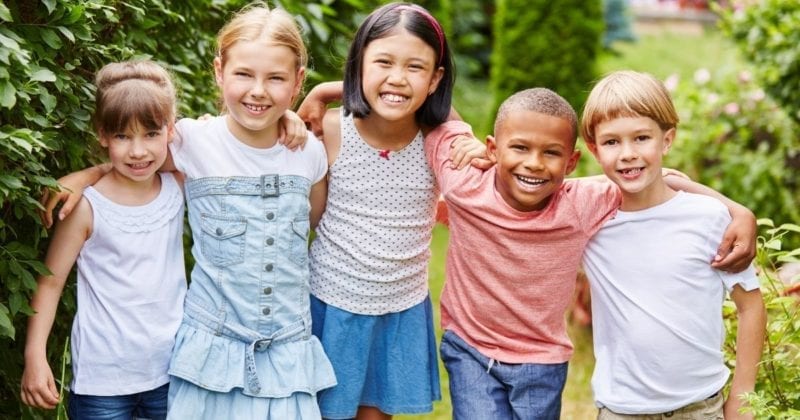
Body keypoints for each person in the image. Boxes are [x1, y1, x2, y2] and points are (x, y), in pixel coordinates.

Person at [38, 5, 337, 418]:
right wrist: (86, 175)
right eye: (244, 74)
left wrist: (302, 110)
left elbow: (312, 220)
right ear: (219, 71)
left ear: (297, 82)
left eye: (276, 79)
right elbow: (135, 159)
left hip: (286, 350)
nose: (258, 90)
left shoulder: (309, 154)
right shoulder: (193, 142)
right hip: (211, 351)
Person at [424, 87, 757, 419]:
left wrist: (738, 211)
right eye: (613, 142)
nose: (534, 163)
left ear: (572, 162)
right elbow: (433, 108)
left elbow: (667, 178)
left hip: (546, 361)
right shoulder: (464, 179)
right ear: (493, 149)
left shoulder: (581, 207)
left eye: (550, 153)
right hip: (475, 350)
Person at [298, 3, 462, 419]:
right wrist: (322, 94)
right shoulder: (332, 129)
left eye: (415, 67)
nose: (397, 78)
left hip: (399, 309)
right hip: (332, 303)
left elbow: (447, 117)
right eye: (383, 62)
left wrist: (322, 89)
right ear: (359, 66)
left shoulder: (439, 136)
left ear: (435, 78)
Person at [580, 70, 766, 419]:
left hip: (701, 407)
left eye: (641, 138)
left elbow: (750, 306)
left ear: (667, 141)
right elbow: (542, 186)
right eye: (611, 142)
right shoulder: (589, 221)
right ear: (593, 149)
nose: (627, 154)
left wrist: (742, 394)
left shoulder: (710, 219)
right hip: (622, 410)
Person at [20, 60, 187, 420]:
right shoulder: (85, 208)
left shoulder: (178, 186)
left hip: (173, 371)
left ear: (171, 130)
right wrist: (35, 356)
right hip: (103, 383)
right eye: (123, 136)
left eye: (151, 134)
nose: (138, 151)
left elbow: (228, 143)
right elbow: (50, 283)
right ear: (102, 135)